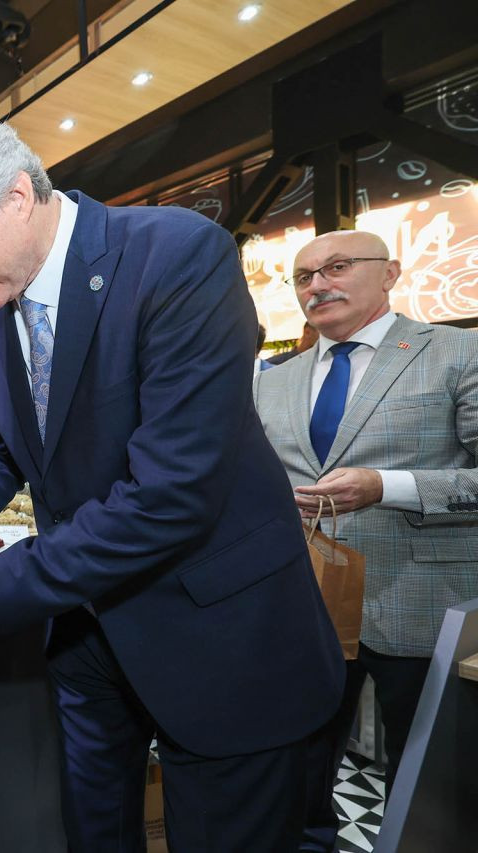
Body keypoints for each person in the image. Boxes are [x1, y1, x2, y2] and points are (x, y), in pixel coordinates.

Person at [0, 116, 344, 852]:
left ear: (18, 196)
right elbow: (0, 455)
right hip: (89, 639)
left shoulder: (176, 256)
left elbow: (172, 492)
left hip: (220, 634)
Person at [254, 230, 478, 852]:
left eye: (338, 266)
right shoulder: (275, 380)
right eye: (302, 277)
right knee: (299, 768)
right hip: (305, 603)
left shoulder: (457, 353)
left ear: (390, 272)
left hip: (423, 601)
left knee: (435, 787)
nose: (317, 285)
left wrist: (390, 486)